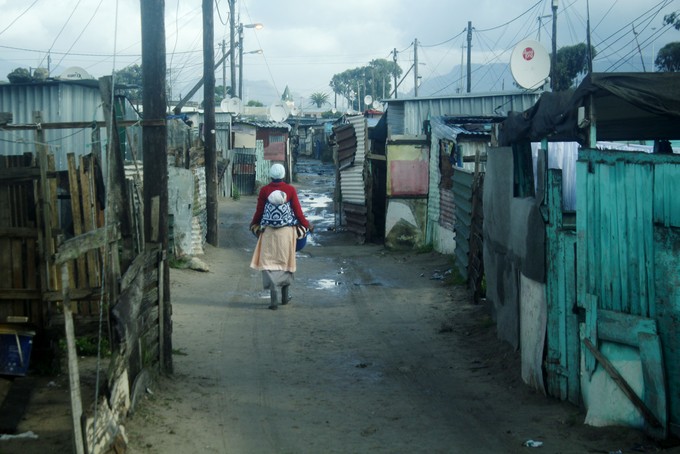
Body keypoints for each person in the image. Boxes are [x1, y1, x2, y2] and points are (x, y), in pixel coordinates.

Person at [249, 163, 313, 310]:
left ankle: (273, 297)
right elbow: (297, 212)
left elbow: (259, 211)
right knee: (285, 262)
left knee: (269, 262)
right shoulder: (290, 190)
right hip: (286, 233)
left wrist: (253, 223)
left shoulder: (264, 190)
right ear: (283, 175)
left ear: (271, 175)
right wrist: (307, 224)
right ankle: (285, 297)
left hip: (268, 232)